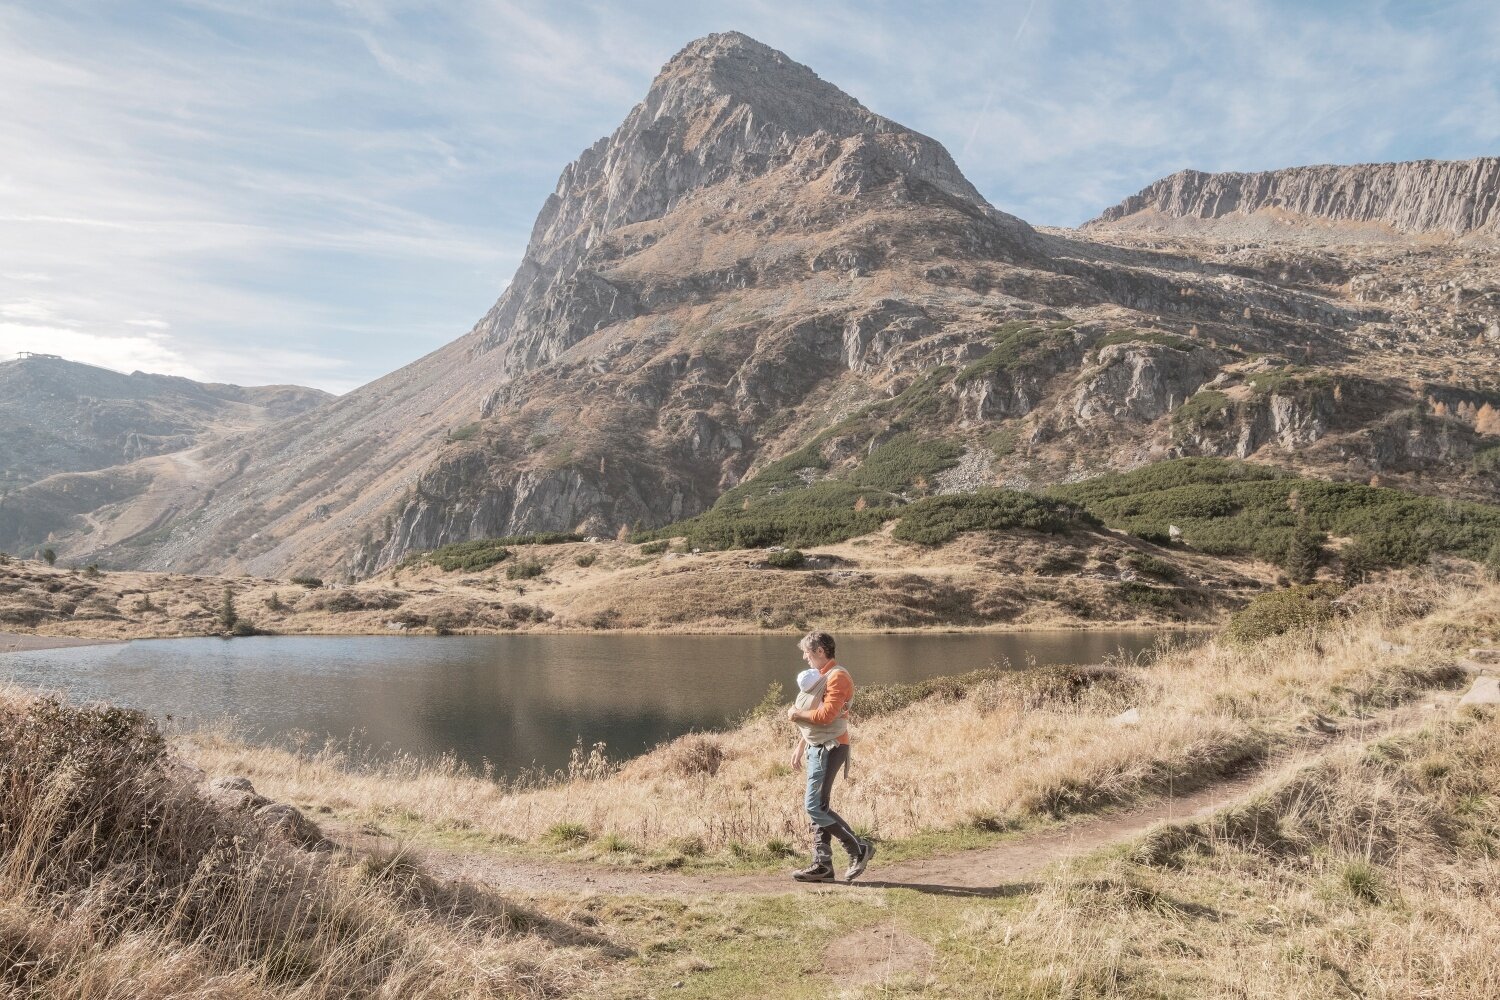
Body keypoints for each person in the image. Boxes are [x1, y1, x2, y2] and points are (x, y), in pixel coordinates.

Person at [787, 630, 874, 883]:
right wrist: (801, 745)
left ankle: (858, 848)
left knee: (814, 807)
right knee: (819, 807)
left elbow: (825, 716)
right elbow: (817, 716)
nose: (805, 657)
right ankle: (822, 864)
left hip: (832, 747)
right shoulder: (821, 677)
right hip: (818, 746)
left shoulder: (838, 678)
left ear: (820, 652)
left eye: (807, 652)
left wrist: (795, 714)